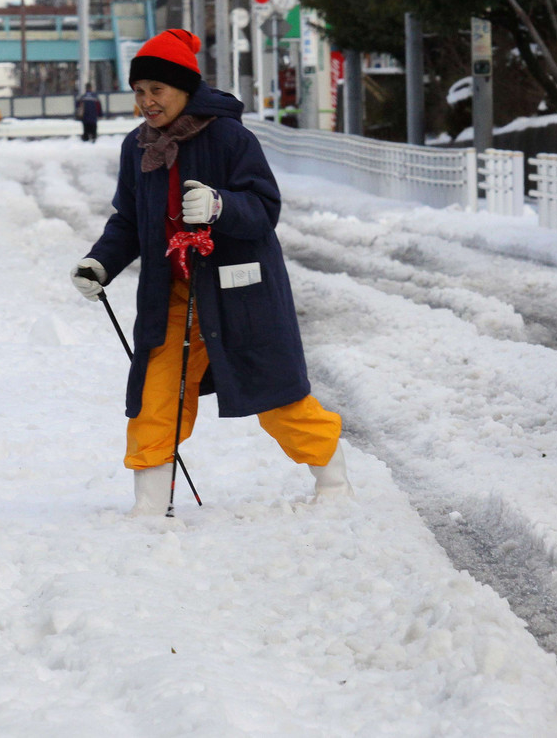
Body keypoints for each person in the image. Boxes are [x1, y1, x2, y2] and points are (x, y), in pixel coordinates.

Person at [71, 28, 351, 514]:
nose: (147, 102)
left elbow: (265, 209)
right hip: (171, 295)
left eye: (157, 90)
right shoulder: (137, 148)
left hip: (240, 295)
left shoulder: (229, 137)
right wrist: (101, 263)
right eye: (140, 92)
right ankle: (150, 508)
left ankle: (334, 484)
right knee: (155, 397)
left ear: (185, 88)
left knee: (277, 394)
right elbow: (129, 221)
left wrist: (221, 205)